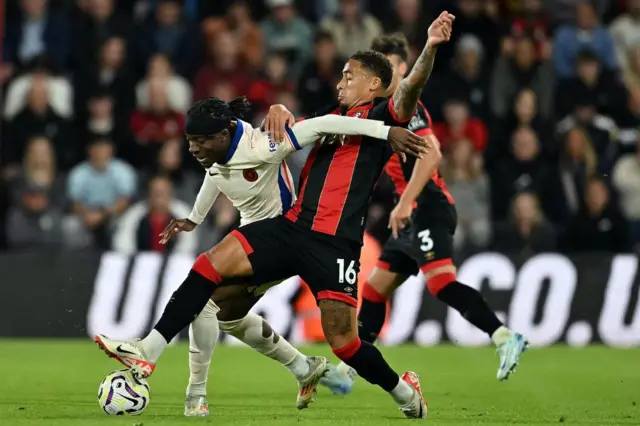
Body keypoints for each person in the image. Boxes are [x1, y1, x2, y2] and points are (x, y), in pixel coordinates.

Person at [95, 11, 455, 419]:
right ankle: (147, 352)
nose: (340, 82)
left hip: (335, 243)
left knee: (345, 343)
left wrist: (429, 47)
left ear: (374, 82)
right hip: (293, 226)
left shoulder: (385, 113)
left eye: (349, 76)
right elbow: (299, 129)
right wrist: (281, 106)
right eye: (340, 75)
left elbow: (410, 87)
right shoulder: (331, 113)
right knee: (209, 267)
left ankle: (404, 391)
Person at [328, 33, 528, 385]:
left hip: (427, 206)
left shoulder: (411, 107)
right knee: (374, 291)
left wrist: (405, 203)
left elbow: (432, 152)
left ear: (403, 68)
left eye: (391, 66)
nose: (386, 74)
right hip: (409, 212)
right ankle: (348, 371)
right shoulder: (380, 111)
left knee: (441, 283)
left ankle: (504, 337)